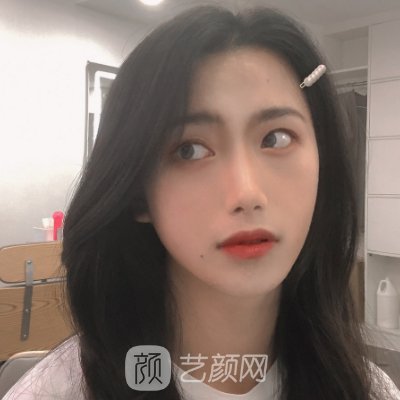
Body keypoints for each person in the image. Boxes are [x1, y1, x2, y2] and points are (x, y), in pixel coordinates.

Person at [4, 5, 400, 400]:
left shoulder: (368, 390)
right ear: (138, 193)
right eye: (190, 150)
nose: (247, 194)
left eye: (276, 138)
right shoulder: (57, 393)